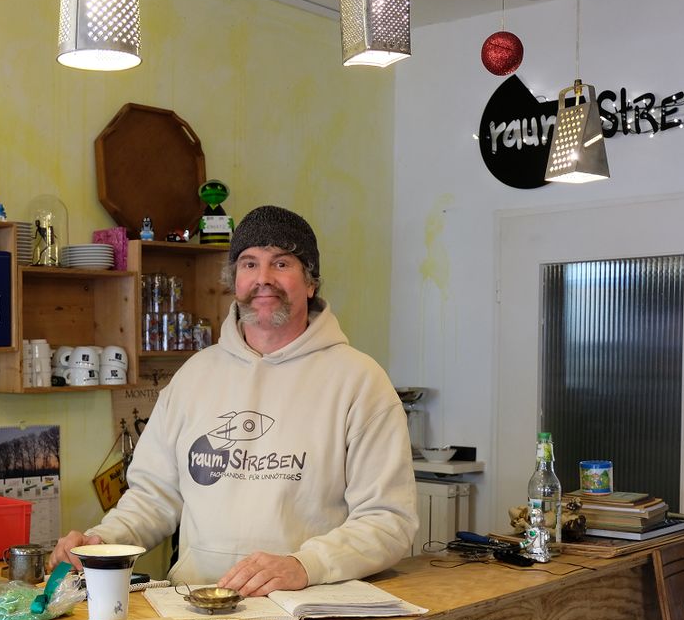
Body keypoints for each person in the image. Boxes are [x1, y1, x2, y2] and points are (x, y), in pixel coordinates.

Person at [50, 205, 418, 596]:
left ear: (311, 283)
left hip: (306, 610)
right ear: (234, 280)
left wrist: (305, 565)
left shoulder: (359, 382)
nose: (263, 279)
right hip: (196, 604)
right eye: (249, 264)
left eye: (281, 263)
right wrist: (101, 542)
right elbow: (153, 497)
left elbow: (388, 521)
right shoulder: (194, 377)